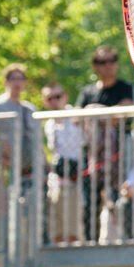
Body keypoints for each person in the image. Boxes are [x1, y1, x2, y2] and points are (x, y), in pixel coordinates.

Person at [76, 46, 134, 242]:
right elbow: (77, 119)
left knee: (119, 200)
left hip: (119, 156)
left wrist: (94, 112)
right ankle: (90, 243)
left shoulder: (124, 88)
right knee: (89, 203)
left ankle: (123, 241)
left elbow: (122, 115)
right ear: (95, 66)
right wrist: (106, 114)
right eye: (102, 62)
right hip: (92, 159)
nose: (108, 66)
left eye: (112, 60)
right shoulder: (88, 92)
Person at [41, 83, 82, 244]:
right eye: (50, 98)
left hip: (78, 173)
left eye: (57, 97)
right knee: (56, 209)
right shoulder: (49, 123)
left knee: (74, 214)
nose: (54, 101)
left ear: (65, 97)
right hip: (59, 174)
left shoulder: (75, 116)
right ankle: (58, 244)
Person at [0, 63, 39, 182]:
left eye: (21, 79)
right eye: (13, 79)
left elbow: (36, 138)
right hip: (4, 167)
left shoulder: (30, 109)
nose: (17, 83)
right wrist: (1, 143)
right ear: (6, 82)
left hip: (28, 168)